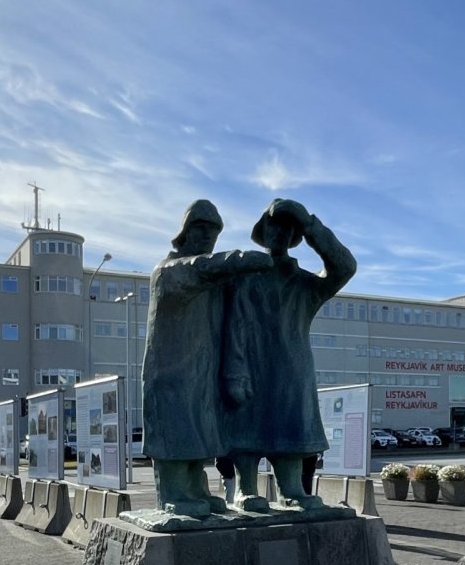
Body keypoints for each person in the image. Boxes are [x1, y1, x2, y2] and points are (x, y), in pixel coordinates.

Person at [220, 199, 356, 509]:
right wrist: (233, 370)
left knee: (290, 428)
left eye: (288, 228)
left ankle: (291, 489)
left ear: (296, 235)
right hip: (250, 367)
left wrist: (310, 225)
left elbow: (345, 267)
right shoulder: (244, 277)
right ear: (263, 231)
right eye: (274, 226)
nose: (279, 233)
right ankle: (245, 488)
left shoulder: (305, 283)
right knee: (245, 430)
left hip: (291, 370)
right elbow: (232, 326)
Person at [140, 200, 272, 517]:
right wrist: (244, 259)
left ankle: (195, 489)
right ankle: (172, 493)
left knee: (198, 429)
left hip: (201, 371)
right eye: (200, 228)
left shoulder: (214, 283)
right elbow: (201, 268)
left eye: (213, 232)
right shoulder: (168, 271)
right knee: (176, 429)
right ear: (184, 232)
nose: (208, 237)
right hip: (170, 373)